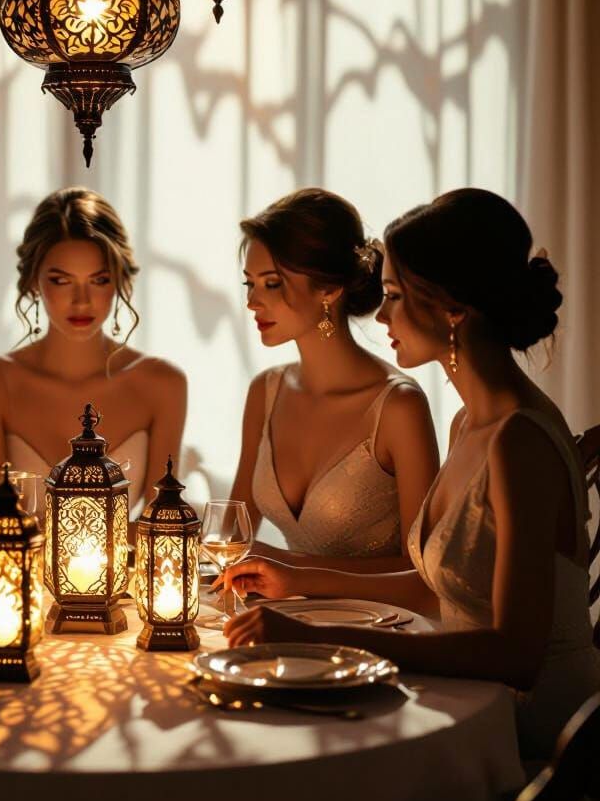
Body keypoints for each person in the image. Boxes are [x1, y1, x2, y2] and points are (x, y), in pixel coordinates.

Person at [221, 188, 600, 759]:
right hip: (471, 704)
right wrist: (293, 580)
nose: (380, 313)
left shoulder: (519, 439)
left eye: (395, 295)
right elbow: (435, 591)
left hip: (538, 750)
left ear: (451, 307)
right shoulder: (470, 423)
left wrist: (323, 638)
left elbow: (515, 656)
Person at [229, 189, 439, 570]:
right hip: (283, 619)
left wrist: (293, 569)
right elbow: (230, 535)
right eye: (250, 284)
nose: (253, 302)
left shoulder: (399, 407)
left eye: (272, 283)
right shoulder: (265, 392)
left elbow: (421, 571)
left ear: (329, 288)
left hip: (384, 626)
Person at [0, 187, 186, 510]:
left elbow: (161, 528)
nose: (82, 301)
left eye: (98, 280)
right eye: (61, 280)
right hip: (15, 563)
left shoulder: (164, 385)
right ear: (32, 282)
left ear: (119, 281)